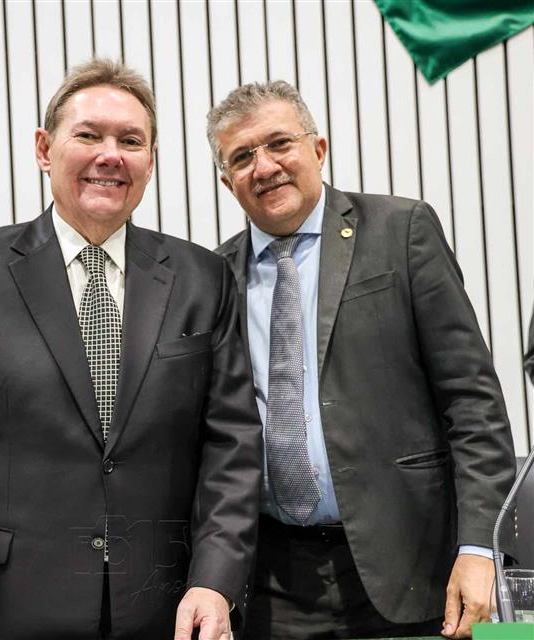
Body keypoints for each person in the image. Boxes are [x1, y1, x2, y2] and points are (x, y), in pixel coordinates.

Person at [0, 59, 262, 640]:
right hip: (5, 607)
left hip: (167, 609)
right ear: (44, 148)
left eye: (130, 141)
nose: (110, 155)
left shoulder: (202, 278)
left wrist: (216, 581)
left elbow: (231, 448)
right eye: (88, 135)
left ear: (150, 160)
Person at [206, 81, 516, 640]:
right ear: (228, 181)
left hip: (415, 562)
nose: (265, 166)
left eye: (280, 143)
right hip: (273, 582)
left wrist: (480, 548)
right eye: (242, 156)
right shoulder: (214, 276)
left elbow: (473, 402)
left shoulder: (401, 230)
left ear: (318, 148)